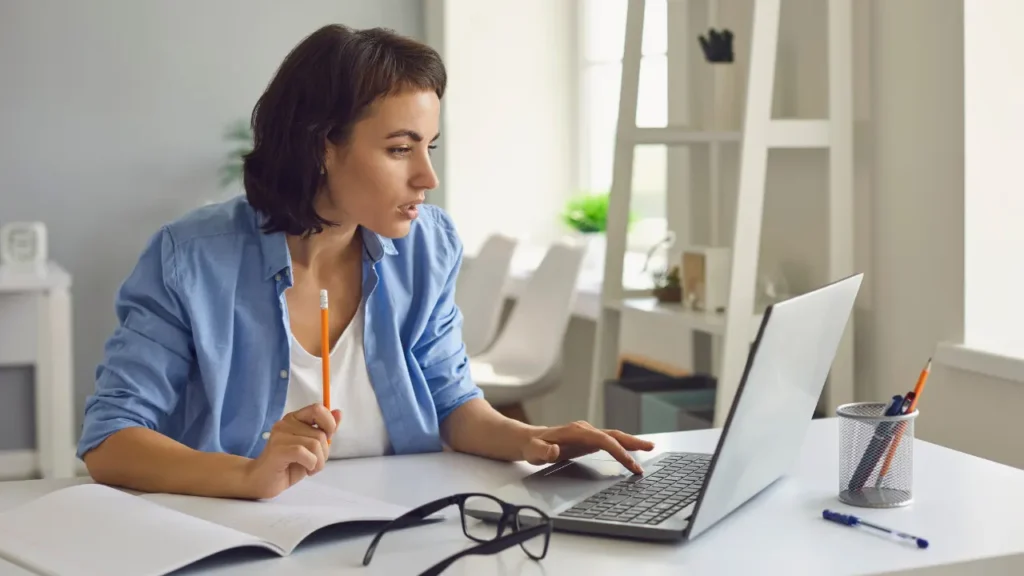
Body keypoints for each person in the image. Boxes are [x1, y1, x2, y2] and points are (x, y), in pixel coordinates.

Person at [78, 24, 654, 501]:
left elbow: (453, 403)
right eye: (400, 149)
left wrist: (536, 440)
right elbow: (111, 440)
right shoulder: (192, 258)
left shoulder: (428, 244)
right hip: (239, 537)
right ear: (321, 145)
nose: (427, 177)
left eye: (430, 147)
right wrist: (247, 476)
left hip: (396, 525)